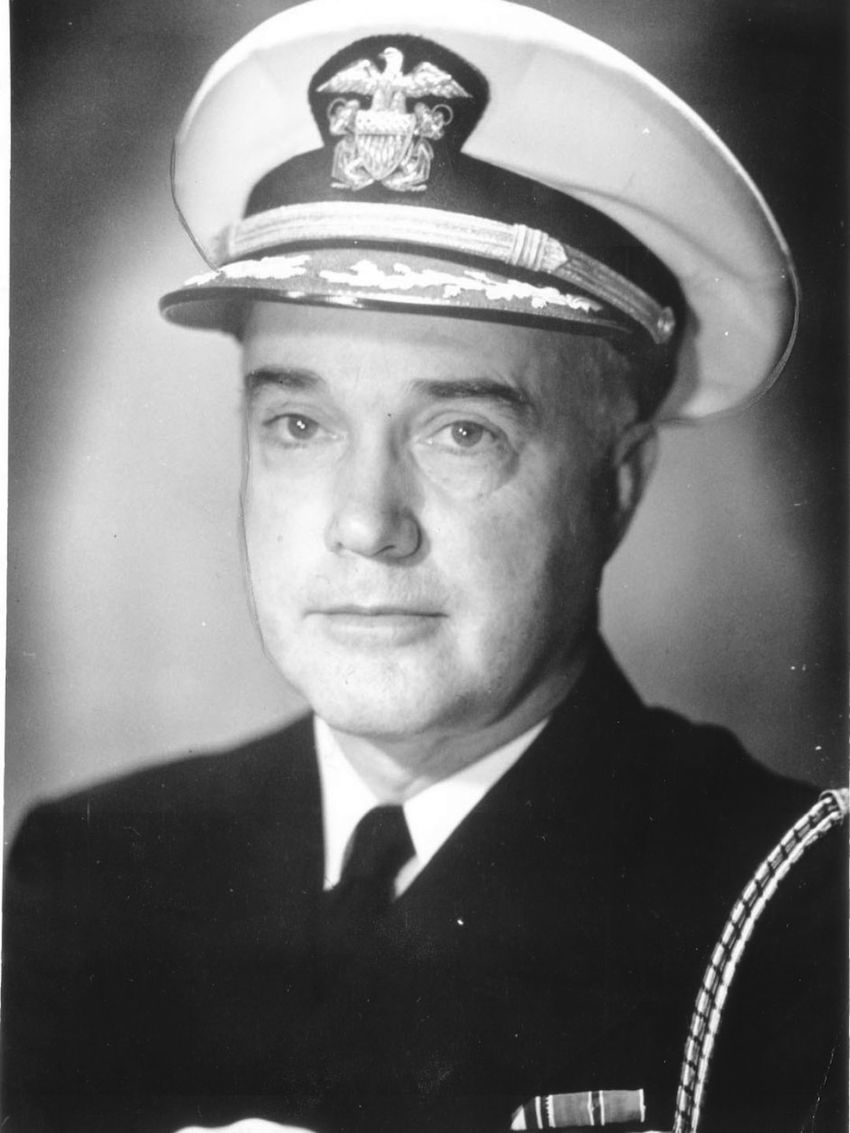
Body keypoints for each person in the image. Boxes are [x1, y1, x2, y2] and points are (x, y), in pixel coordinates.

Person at [2, 2, 845, 1131]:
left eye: (461, 432)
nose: (366, 522)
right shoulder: (90, 875)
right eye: (299, 425)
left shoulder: (793, 911)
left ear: (619, 482)